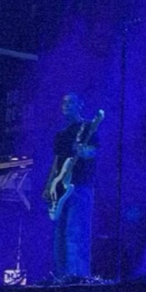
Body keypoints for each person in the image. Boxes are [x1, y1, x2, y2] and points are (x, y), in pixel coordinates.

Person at [45, 93, 100, 279]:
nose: (66, 104)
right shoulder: (60, 134)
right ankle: (62, 278)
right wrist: (48, 185)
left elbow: (94, 151)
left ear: (80, 105)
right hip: (60, 189)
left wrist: (84, 152)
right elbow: (56, 161)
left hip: (80, 186)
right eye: (64, 101)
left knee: (75, 234)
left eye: (71, 102)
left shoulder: (87, 127)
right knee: (59, 237)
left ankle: (78, 277)